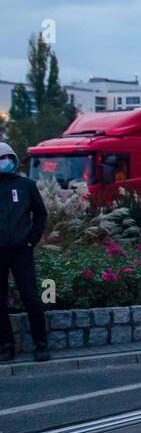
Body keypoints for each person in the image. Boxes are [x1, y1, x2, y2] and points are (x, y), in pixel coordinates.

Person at [0, 141, 49, 362]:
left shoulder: (26, 185)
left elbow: (40, 214)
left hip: (22, 251)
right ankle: (6, 346)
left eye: (9, 157)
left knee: (30, 297)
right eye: (1, 159)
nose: (6, 162)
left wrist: (32, 240)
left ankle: (41, 344)